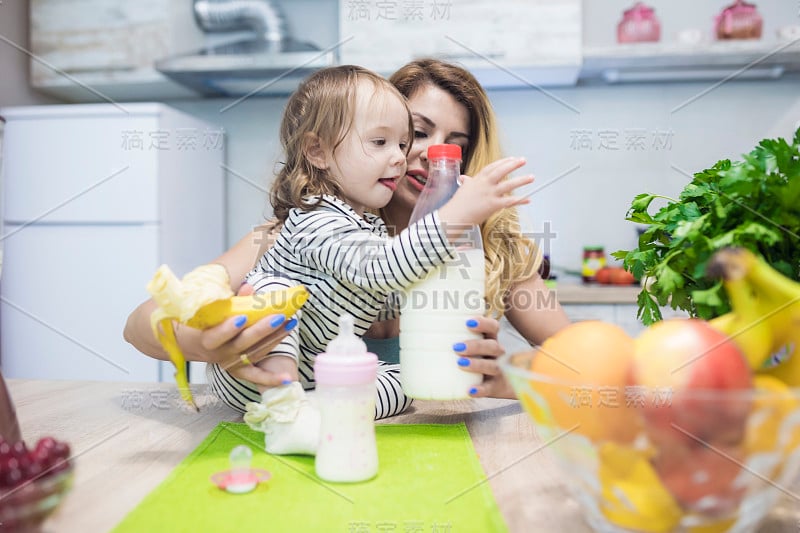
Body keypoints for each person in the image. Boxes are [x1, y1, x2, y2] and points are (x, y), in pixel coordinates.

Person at [123, 59, 570, 412]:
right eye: (414, 133)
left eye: (456, 143)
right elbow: (141, 321)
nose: (431, 153)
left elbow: (585, 363)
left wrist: (506, 379)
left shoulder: (494, 249)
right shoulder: (297, 230)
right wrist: (206, 342)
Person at [242, 63, 532, 420]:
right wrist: (459, 214)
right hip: (254, 378)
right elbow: (383, 269)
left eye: (400, 143)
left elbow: (391, 294)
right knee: (267, 290)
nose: (400, 155)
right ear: (317, 151)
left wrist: (492, 362)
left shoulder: (368, 229)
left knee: (403, 380)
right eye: (386, 141)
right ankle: (279, 396)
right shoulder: (313, 218)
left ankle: (323, 411)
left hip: (320, 385)